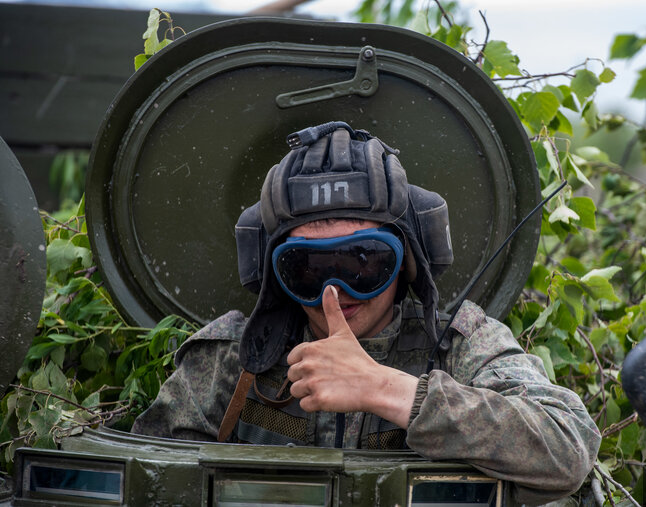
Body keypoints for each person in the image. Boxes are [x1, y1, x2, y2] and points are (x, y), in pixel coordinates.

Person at [132, 121, 601, 504]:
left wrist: (387, 390)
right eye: (308, 269)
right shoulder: (233, 360)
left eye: (363, 262)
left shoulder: (460, 346)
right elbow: (148, 483)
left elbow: (569, 446)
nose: (335, 292)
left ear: (407, 259)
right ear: (275, 273)